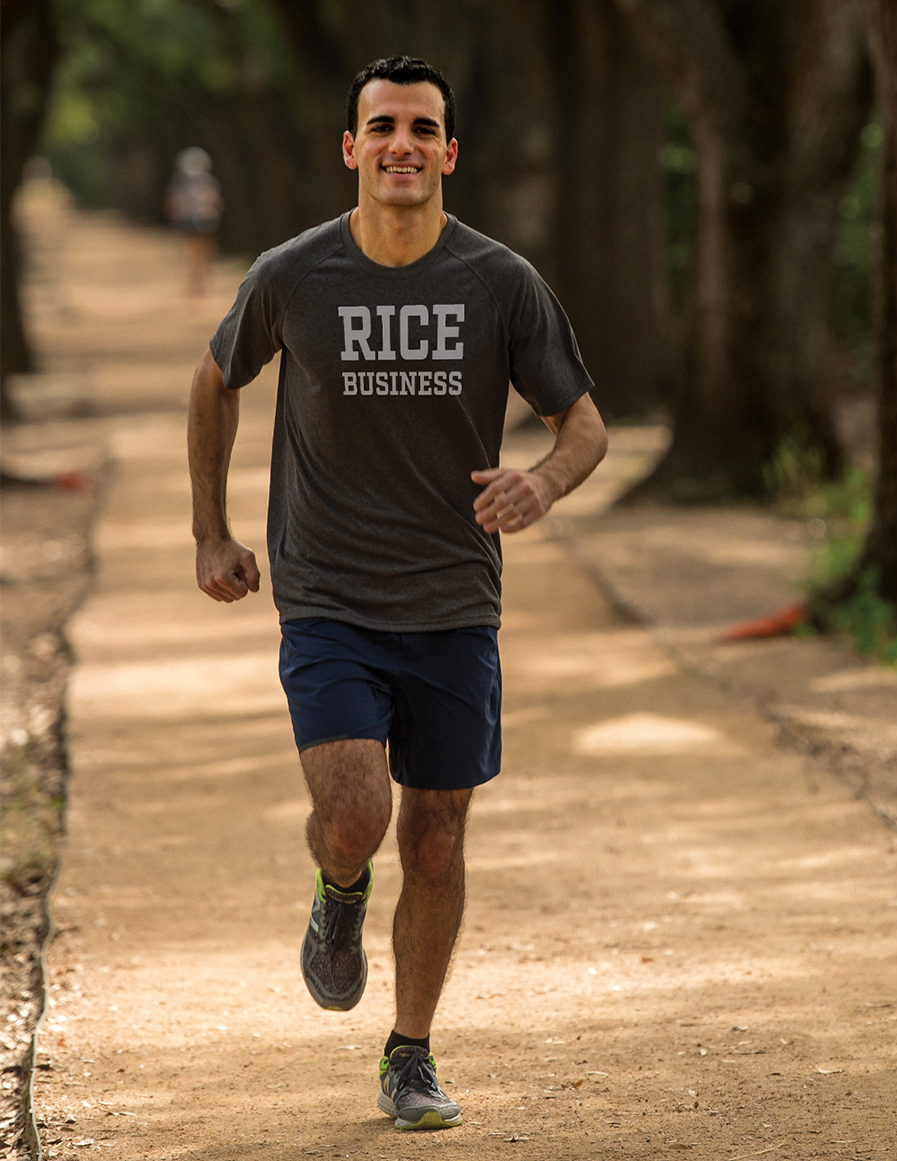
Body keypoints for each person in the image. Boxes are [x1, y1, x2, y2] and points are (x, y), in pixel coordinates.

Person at [187, 55, 607, 1132]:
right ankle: (337, 893)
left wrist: (542, 483)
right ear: (351, 148)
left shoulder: (501, 281)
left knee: (436, 837)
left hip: (455, 602)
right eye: (383, 127)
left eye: (423, 129)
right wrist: (211, 533)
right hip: (327, 596)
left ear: (449, 152)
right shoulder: (293, 274)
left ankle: (409, 1055)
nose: (402, 146)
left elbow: (584, 425)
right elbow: (213, 379)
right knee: (356, 815)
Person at [165, 147, 223, 297]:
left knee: (197, 254)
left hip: (199, 222)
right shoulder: (208, 183)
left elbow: (171, 205)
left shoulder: (181, 184)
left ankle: (198, 283)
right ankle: (198, 284)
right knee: (199, 254)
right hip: (199, 222)